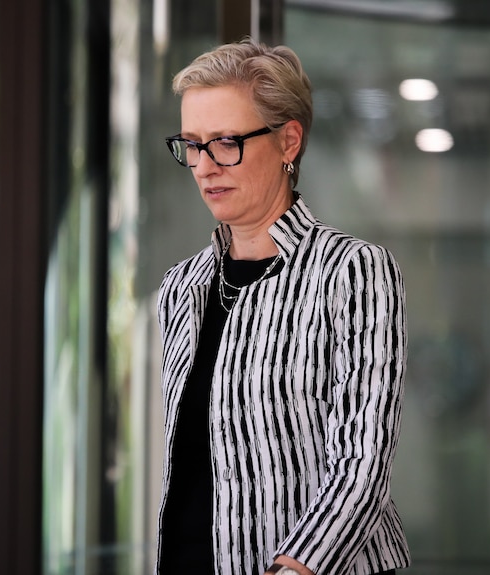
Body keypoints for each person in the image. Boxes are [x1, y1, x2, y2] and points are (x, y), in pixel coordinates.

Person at [154, 39, 411, 575]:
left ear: (288, 140)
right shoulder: (181, 287)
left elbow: (362, 465)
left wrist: (292, 570)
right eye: (192, 145)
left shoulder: (353, 272)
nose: (204, 166)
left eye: (226, 142)